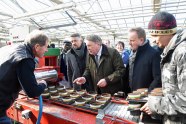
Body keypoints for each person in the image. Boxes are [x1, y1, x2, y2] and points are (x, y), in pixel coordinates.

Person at [141, 11, 186, 124]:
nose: (154, 40)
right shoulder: (170, 50)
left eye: (156, 35)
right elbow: (174, 88)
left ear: (168, 32)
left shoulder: (182, 52)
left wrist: (155, 104)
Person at [0, 30, 48, 124]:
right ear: (37, 46)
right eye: (46, 46)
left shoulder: (10, 48)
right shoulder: (25, 59)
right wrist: (43, 84)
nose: (47, 50)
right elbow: (32, 92)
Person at [127, 27, 161, 92]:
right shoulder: (132, 53)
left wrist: (147, 92)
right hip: (132, 95)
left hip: (145, 98)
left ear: (141, 40)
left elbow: (158, 78)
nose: (129, 43)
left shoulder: (154, 54)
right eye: (129, 40)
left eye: (132, 40)